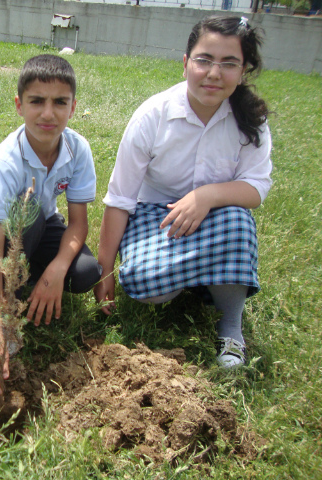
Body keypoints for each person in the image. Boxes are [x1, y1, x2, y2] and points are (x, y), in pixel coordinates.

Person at [94, 15, 272, 368]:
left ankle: (231, 328)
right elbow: (120, 200)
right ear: (186, 62)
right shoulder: (153, 116)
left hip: (218, 216)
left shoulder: (250, 120)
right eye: (204, 60)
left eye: (229, 63)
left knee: (239, 224)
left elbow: (256, 188)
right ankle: (206, 277)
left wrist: (206, 197)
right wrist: (105, 273)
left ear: (244, 70)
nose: (214, 73)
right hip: (155, 217)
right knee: (145, 286)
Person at [0, 54, 102, 399]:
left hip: (42, 222)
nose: (48, 113)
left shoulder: (78, 149)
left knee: (84, 271)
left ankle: (33, 279)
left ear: (73, 107)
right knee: (30, 216)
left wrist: (56, 271)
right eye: (36, 101)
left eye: (60, 102)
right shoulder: (4, 162)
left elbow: (77, 224)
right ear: (18, 105)